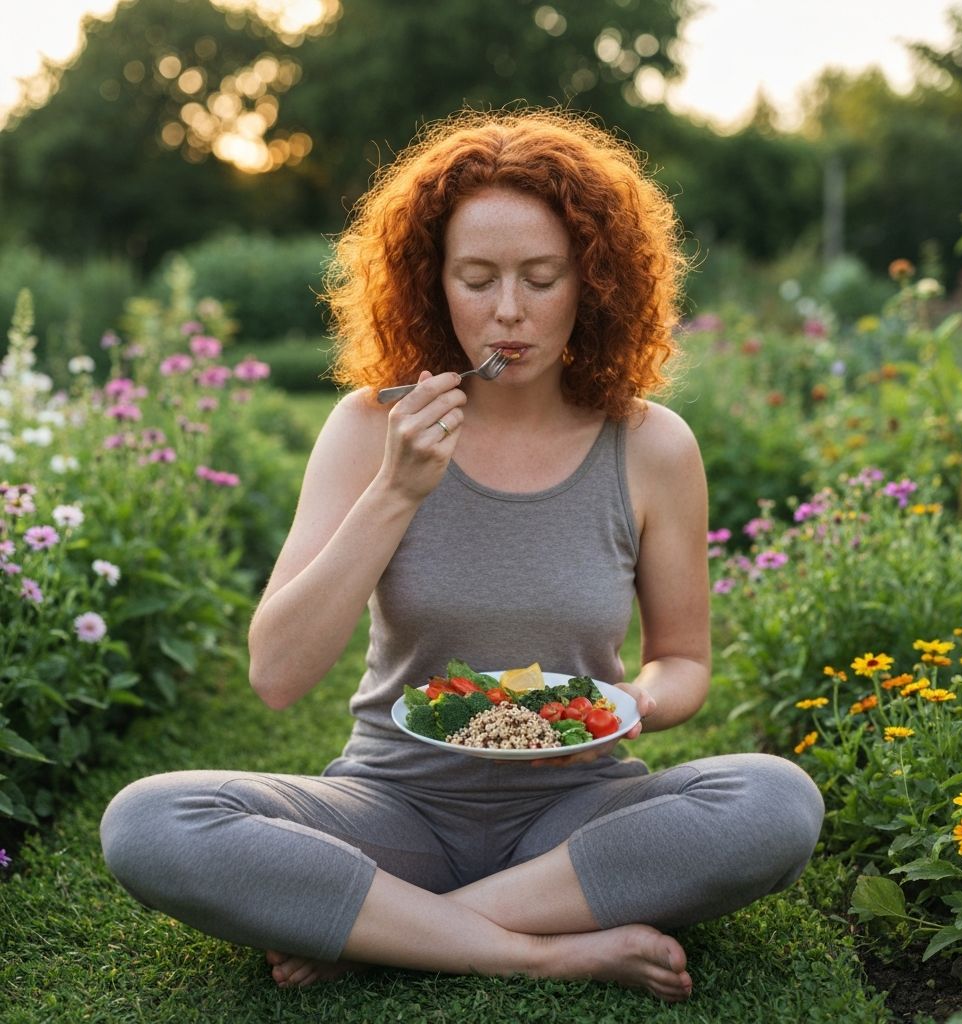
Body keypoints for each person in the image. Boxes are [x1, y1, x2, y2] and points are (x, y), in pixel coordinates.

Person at [101, 107, 824, 1003]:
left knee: (774, 800)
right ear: (431, 283)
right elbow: (277, 675)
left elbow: (683, 662)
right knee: (149, 821)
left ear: (593, 283)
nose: (508, 311)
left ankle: (383, 930)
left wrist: (629, 704)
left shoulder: (651, 446)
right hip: (393, 806)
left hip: (578, 811)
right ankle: (539, 945)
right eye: (477, 279)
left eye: (542, 277)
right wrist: (396, 491)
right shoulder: (372, 429)